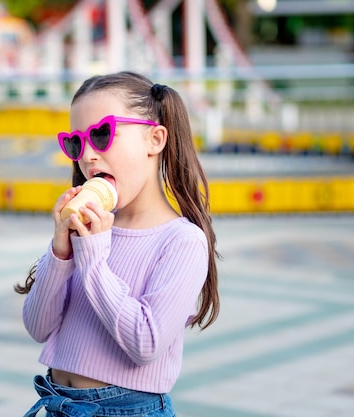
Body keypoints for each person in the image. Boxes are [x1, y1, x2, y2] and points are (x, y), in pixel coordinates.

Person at [15, 71, 220, 417]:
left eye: (102, 134)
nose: (88, 156)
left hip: (127, 410)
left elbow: (146, 343)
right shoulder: (89, 231)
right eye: (76, 142)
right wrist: (60, 253)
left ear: (155, 139)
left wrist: (93, 261)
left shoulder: (182, 241)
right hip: (58, 403)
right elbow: (37, 326)